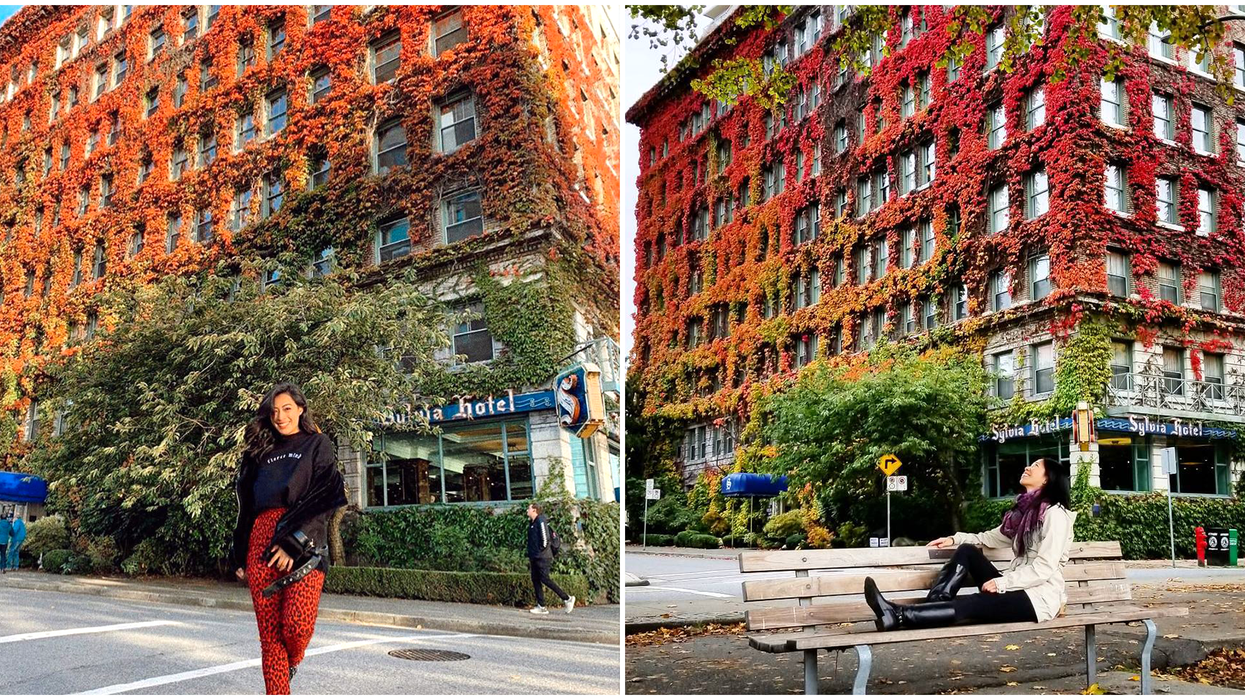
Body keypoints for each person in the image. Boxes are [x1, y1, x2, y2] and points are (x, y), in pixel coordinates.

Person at [864, 457, 1075, 631]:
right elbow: (991, 538)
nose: (1027, 467)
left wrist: (1003, 583)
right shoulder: (1025, 514)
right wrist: (955, 539)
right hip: (1017, 586)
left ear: (1048, 480)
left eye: (1036, 466)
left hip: (1038, 597)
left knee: (973, 604)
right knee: (967, 551)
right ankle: (932, 608)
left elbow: (1045, 568)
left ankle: (899, 616)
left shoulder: (1055, 515)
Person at [231, 382, 346, 695]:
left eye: (287, 409)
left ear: (300, 409)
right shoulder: (259, 452)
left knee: (295, 626)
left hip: (305, 540)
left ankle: (292, 660)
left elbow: (327, 496)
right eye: (274, 411)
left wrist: (295, 539)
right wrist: (238, 555)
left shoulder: (318, 444)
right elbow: (247, 510)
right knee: (270, 639)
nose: (280, 417)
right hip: (260, 540)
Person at [526, 502, 575, 615]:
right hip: (535, 556)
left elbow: (545, 539)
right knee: (535, 579)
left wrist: (539, 551)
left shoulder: (541, 521)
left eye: (529, 508)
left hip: (542, 557)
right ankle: (541, 606)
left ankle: (567, 598)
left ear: (534, 510)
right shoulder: (532, 522)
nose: (527, 510)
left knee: (544, 579)